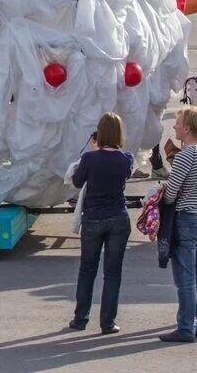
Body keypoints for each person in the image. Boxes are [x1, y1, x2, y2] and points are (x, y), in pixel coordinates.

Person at [68, 113, 133, 335]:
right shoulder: (127, 159)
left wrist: (94, 151)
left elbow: (77, 182)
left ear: (100, 134)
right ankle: (108, 322)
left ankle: (80, 318)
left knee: (87, 270)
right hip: (118, 217)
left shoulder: (89, 159)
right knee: (113, 273)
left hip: (94, 218)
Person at [159, 106, 197, 342]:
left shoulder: (187, 155)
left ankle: (185, 327)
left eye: (178, 122)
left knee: (185, 278)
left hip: (187, 219)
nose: (174, 126)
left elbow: (172, 193)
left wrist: (162, 191)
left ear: (187, 128)